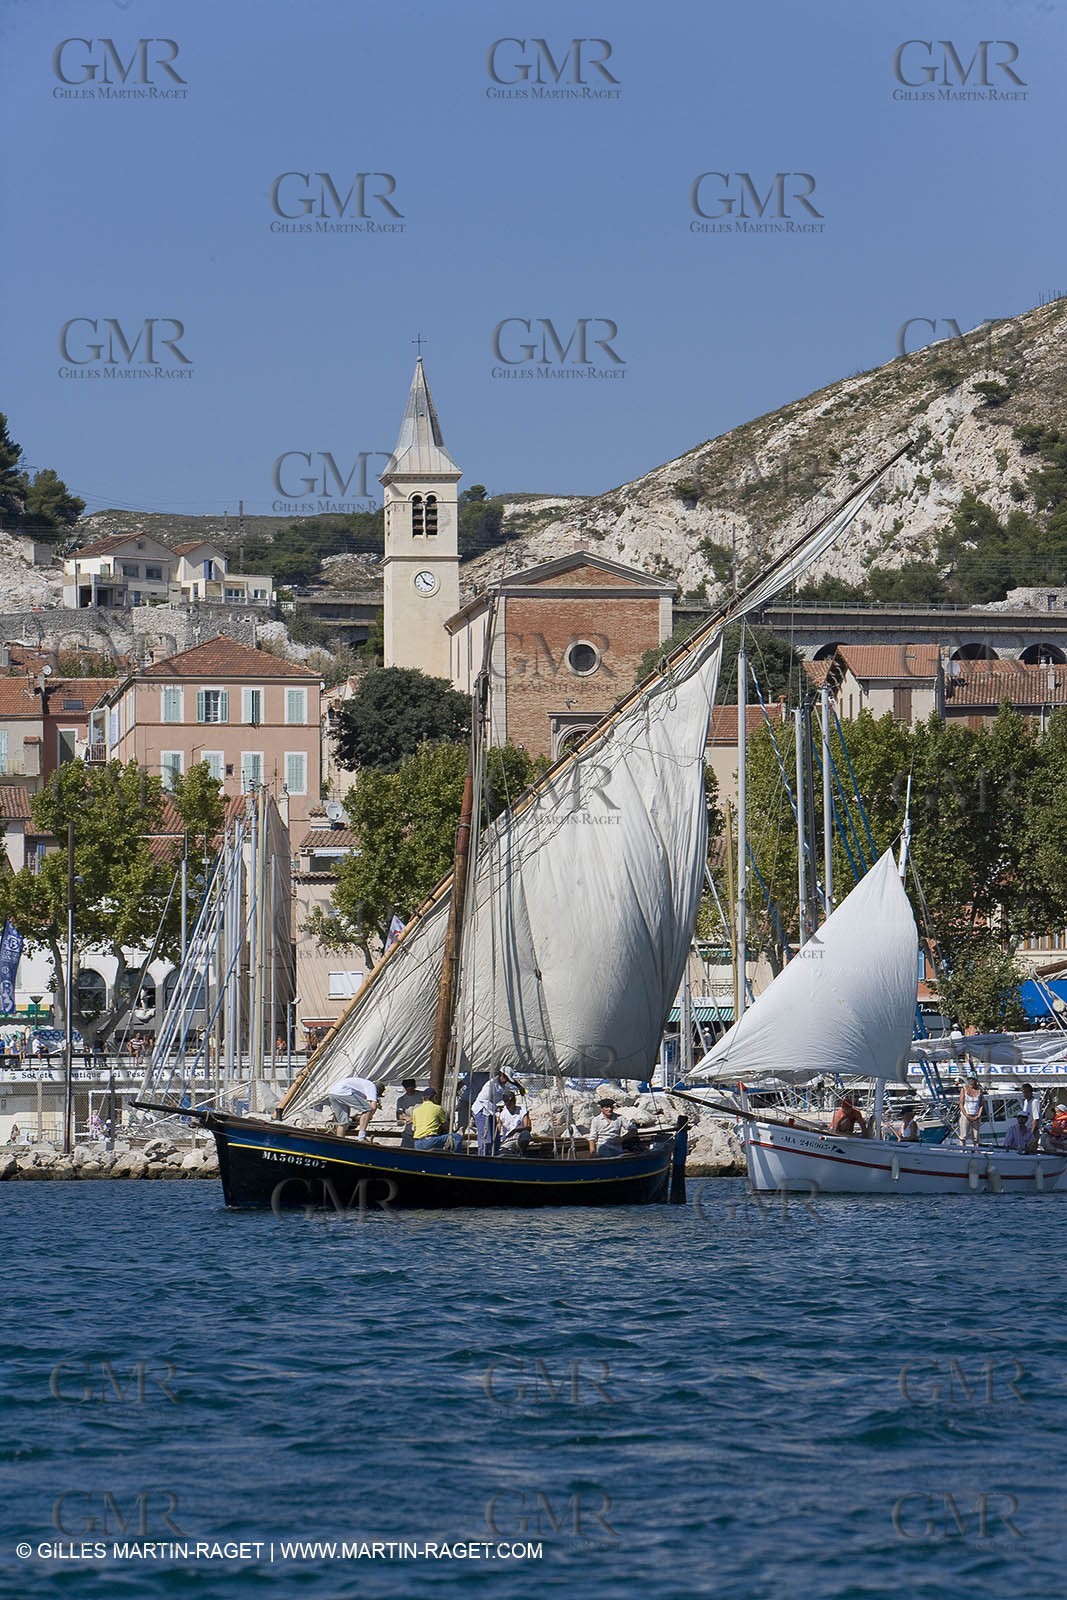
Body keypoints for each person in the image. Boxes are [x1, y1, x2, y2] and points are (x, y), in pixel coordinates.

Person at [472, 1069, 519, 1156]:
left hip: (490, 1111)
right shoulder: (491, 1084)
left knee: (496, 1137)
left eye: (508, 1079)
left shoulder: (502, 1085)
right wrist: (496, 1108)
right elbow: (483, 1099)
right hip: (482, 1111)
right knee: (486, 1137)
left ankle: (494, 1154)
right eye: (505, 1078)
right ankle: (483, 1155)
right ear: (501, 1075)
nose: (506, 1081)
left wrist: (519, 1087)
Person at [325, 1075, 383, 1140]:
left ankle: (339, 1141)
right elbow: (373, 1107)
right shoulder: (372, 1087)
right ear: (378, 1090)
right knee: (367, 1109)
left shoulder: (364, 1085)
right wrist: (369, 1117)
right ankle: (362, 1137)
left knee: (343, 1122)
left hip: (332, 1093)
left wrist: (363, 1117)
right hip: (343, 1092)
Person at [396, 1078, 422, 1147]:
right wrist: (405, 1117)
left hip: (422, 1131)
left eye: (411, 1087)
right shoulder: (401, 1100)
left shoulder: (422, 1096)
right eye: (408, 1088)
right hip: (409, 1132)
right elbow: (399, 1115)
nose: (410, 1090)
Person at [959, 1077, 984, 1147]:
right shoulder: (964, 1089)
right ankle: (962, 1151)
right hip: (966, 1115)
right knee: (963, 1136)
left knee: (976, 1137)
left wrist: (978, 1115)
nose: (970, 1081)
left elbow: (981, 1104)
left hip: (976, 1115)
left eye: (972, 1079)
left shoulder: (979, 1090)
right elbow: (961, 1104)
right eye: (969, 1079)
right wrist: (967, 1115)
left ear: (975, 1080)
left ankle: (976, 1151)